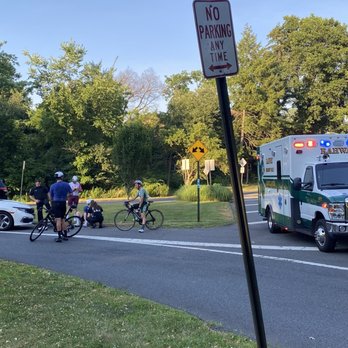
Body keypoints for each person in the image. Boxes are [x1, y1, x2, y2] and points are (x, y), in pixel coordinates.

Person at [49, 171, 72, 242]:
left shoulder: (53, 186)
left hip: (55, 203)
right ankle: (65, 235)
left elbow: (51, 196)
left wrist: (52, 202)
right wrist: (66, 197)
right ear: (62, 177)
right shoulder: (66, 184)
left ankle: (59, 237)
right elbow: (70, 193)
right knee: (63, 219)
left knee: (58, 220)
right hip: (63, 202)